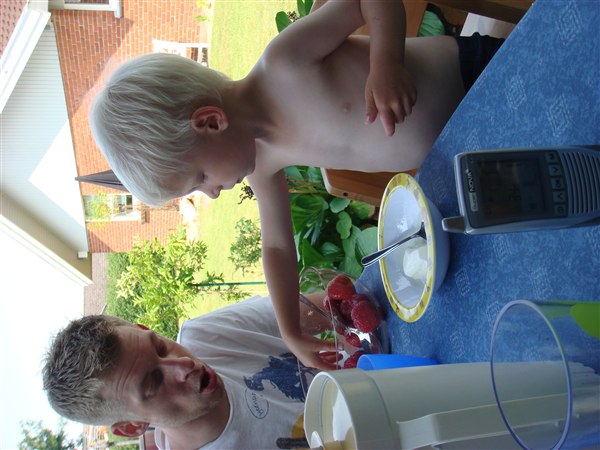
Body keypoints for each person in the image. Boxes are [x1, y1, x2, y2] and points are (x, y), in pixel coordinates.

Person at [89, 0, 502, 370]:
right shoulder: (262, 163)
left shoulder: (284, 63)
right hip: (458, 156)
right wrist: (289, 331)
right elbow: (277, 247)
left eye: (200, 179)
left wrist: (386, 64)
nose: (211, 193)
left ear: (211, 122)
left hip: (479, 78)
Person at [43, 292, 334, 450]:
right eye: (153, 383)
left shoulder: (207, 334)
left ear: (144, 329)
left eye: (160, 347)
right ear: (132, 427)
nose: (184, 366)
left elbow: (329, 308)